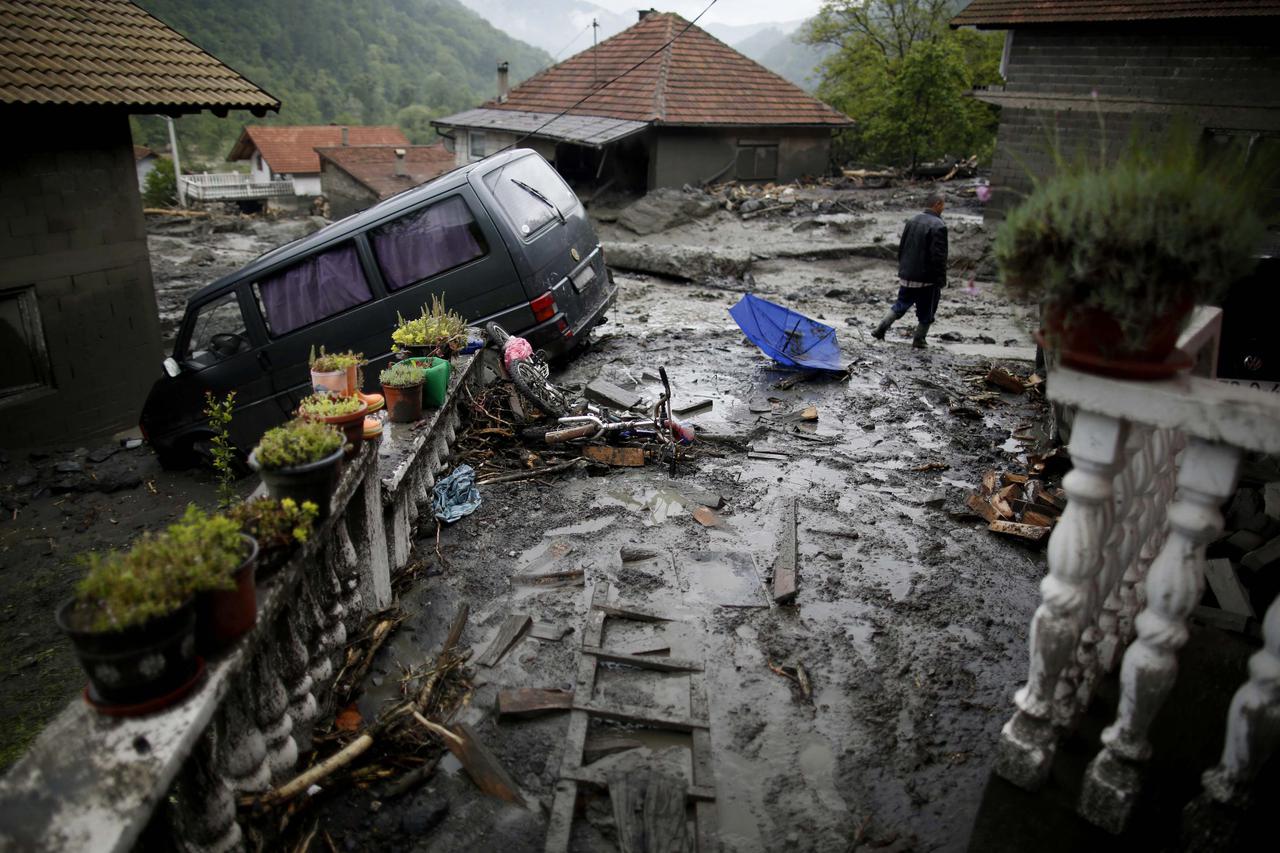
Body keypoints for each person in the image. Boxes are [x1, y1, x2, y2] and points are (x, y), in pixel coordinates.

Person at [872, 189, 948, 348]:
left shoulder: (912, 220)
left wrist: (903, 268)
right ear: (937, 204)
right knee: (927, 311)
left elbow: (902, 247)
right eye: (943, 205)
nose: (943, 208)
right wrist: (940, 279)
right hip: (927, 279)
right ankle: (919, 339)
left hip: (907, 275)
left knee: (900, 304)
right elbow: (938, 257)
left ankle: (880, 329)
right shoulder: (939, 226)